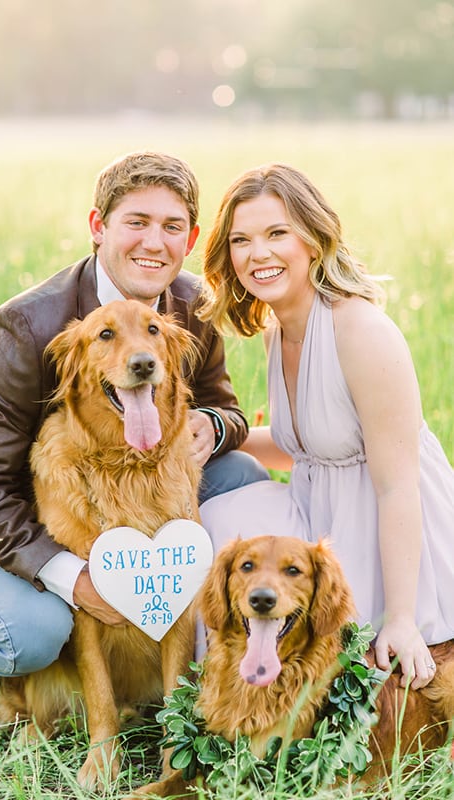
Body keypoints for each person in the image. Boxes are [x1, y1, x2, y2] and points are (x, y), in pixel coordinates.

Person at [0, 151, 269, 729]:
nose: (153, 242)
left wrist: (212, 426)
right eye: (136, 222)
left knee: (244, 480)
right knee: (33, 631)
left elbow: (225, 408)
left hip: (142, 482)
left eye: (172, 227)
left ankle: (201, 655)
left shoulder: (191, 308)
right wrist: (73, 578)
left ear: (190, 239)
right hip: (18, 518)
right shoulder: (26, 327)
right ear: (98, 227)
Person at [197, 162, 454, 691]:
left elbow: (395, 485)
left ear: (313, 240)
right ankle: (221, 672)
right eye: (241, 239)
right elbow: (309, 448)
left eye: (276, 234)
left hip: (386, 523)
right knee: (220, 510)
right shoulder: (276, 330)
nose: (257, 254)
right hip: (320, 509)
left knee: (340, 659)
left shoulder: (361, 332)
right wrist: (200, 436)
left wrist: (402, 619)